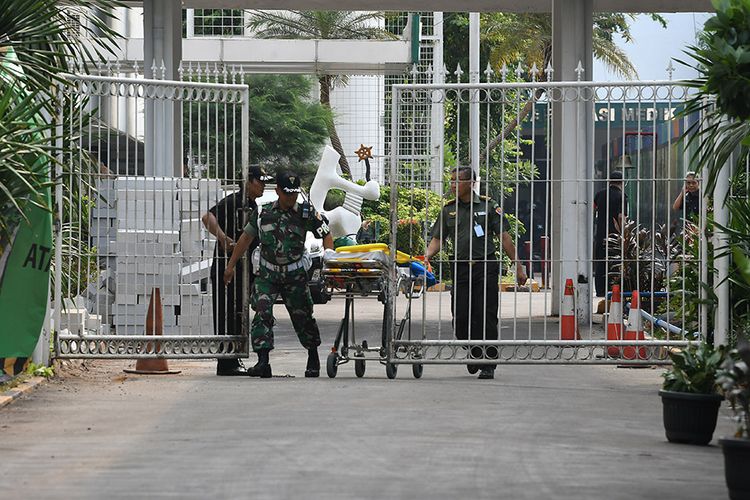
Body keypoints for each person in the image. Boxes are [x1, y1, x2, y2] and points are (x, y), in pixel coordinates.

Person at [224, 171, 334, 378]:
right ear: (277, 191)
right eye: (287, 194)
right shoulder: (263, 213)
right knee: (262, 313)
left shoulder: (306, 212)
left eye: (294, 194)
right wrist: (230, 266)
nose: (291, 198)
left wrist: (329, 257)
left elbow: (326, 233)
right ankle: (263, 362)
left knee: (303, 317)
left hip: (295, 275)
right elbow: (245, 239)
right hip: (268, 275)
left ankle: (313, 357)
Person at [424, 166, 527, 380]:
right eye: (451, 180)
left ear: (470, 183)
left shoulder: (489, 206)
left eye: (456, 180)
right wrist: (426, 256)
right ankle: (474, 350)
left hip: (485, 266)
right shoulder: (448, 210)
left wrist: (517, 265)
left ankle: (488, 362)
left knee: (486, 315)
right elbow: (437, 239)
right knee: (460, 317)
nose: (452, 184)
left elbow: (504, 237)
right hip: (460, 267)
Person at [202, 166, 273, 376]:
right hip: (226, 267)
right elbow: (207, 217)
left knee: (237, 314)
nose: (263, 185)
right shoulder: (234, 201)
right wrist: (223, 238)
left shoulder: (251, 205)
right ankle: (226, 362)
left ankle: (232, 359)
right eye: (259, 181)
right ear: (249, 181)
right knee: (226, 314)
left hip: (242, 270)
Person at [593, 170, 628, 297]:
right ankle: (612, 290)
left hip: (600, 233)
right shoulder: (621, 196)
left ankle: (600, 290)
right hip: (614, 235)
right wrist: (624, 233)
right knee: (614, 263)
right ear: (622, 182)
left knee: (600, 261)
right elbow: (621, 217)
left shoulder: (599, 194)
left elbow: (594, 209)